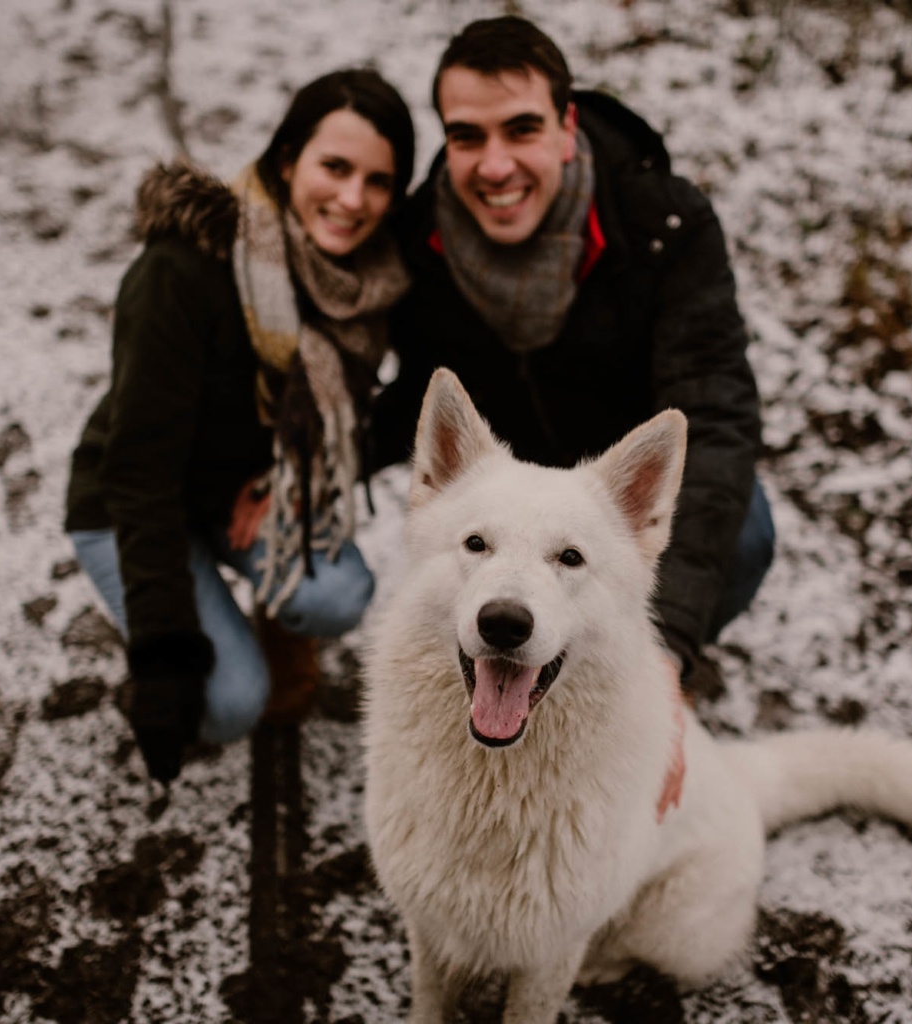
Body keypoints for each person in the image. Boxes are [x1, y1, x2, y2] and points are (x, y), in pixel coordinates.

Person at [373, 16, 774, 697]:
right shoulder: (419, 237)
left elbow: (711, 413)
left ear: (566, 126)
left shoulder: (664, 226)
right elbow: (413, 386)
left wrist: (670, 642)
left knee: (741, 536)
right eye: (467, 136)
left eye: (521, 129)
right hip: (506, 484)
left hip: (613, 484)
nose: (494, 166)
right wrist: (295, 468)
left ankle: (626, 659)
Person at [65, 69, 416, 782]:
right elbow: (137, 474)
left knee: (338, 593)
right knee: (228, 703)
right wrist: (163, 658)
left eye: (378, 181)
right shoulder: (184, 271)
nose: (353, 200)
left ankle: (269, 624)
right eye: (335, 167)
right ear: (288, 161)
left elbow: (387, 415)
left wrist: (282, 480)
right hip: (130, 503)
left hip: (239, 494)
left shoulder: (368, 283)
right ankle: (171, 612)